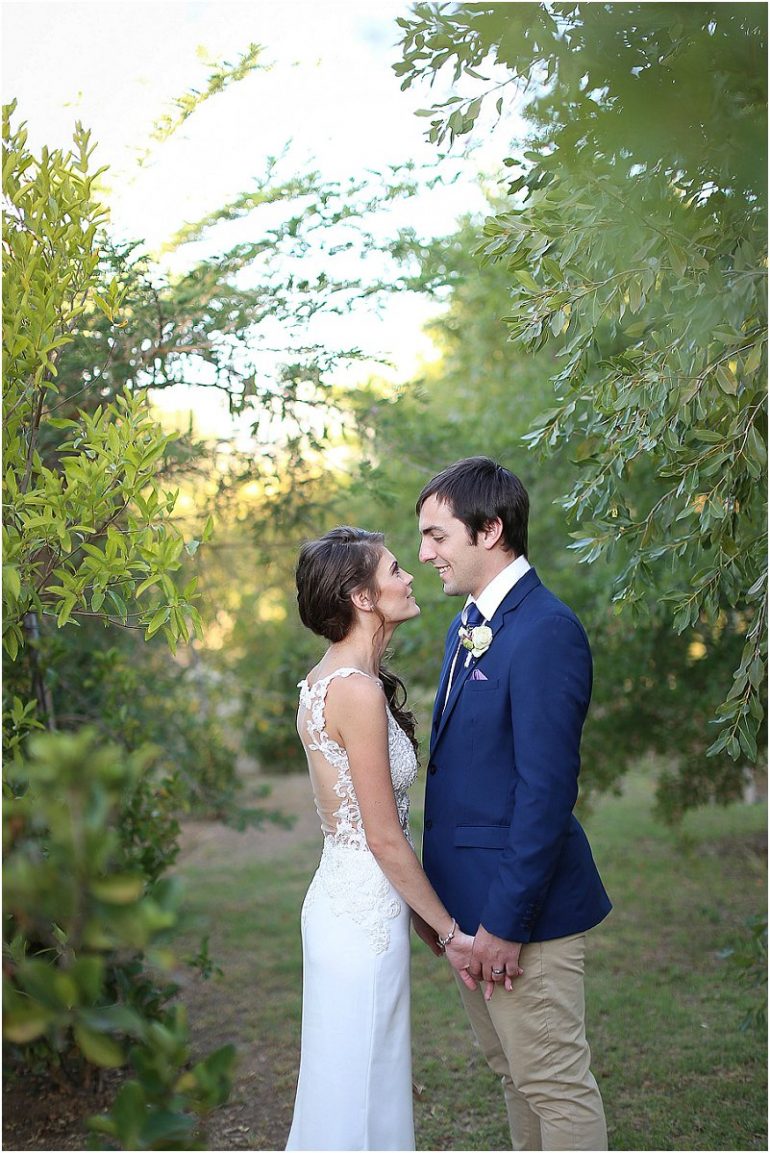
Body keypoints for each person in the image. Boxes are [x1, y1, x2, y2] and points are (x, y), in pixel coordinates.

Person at [415, 456, 612, 1152]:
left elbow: (545, 792)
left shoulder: (546, 629)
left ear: (490, 529)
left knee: (554, 1083)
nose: (424, 553)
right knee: (514, 1076)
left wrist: (503, 922)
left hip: (523, 915)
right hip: (469, 912)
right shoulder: (467, 624)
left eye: (437, 535)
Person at [286, 526, 475, 1152]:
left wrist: (418, 917)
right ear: (361, 597)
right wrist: (448, 931)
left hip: (350, 898)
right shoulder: (355, 691)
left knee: (357, 1088)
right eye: (394, 569)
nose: (410, 575)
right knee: (360, 1096)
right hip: (361, 914)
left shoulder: (329, 681)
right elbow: (384, 837)